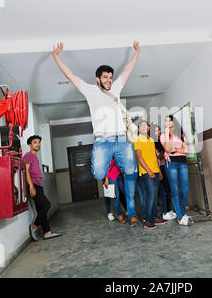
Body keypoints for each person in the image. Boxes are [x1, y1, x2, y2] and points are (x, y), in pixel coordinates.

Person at [52, 41, 140, 226]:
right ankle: (110, 174)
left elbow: (127, 71)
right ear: (97, 79)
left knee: (131, 171)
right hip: (103, 142)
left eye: (110, 77)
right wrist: (56, 56)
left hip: (122, 140)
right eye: (105, 77)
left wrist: (137, 52)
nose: (109, 80)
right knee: (99, 174)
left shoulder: (115, 89)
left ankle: (131, 213)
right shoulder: (90, 91)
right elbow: (70, 75)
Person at [24, 135, 62, 240]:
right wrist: (31, 186)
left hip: (38, 184)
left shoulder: (35, 157)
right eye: (35, 142)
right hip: (33, 185)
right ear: (30, 145)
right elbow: (26, 171)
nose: (38, 144)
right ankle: (35, 226)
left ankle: (47, 232)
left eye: (39, 142)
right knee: (46, 205)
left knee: (41, 209)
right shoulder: (28, 155)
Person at [134, 121, 167, 230]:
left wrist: (159, 171)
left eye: (145, 125)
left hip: (155, 171)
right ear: (139, 129)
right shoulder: (138, 140)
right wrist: (149, 171)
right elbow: (139, 157)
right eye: (141, 126)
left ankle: (155, 217)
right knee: (151, 196)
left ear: (148, 128)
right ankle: (148, 220)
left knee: (154, 195)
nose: (143, 127)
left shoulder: (152, 140)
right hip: (146, 172)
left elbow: (154, 157)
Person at [160, 115, 190, 226]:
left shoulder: (181, 135)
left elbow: (186, 150)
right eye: (165, 121)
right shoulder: (163, 136)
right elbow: (167, 149)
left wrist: (175, 149)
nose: (167, 122)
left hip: (182, 163)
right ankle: (180, 216)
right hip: (171, 163)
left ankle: (181, 212)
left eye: (169, 120)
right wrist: (167, 135)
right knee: (174, 190)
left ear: (174, 122)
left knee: (185, 190)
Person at [154, 125, 176, 220]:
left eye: (159, 130)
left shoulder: (162, 140)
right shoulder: (153, 143)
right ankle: (164, 212)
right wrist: (166, 153)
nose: (158, 132)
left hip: (168, 165)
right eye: (155, 131)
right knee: (164, 190)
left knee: (169, 189)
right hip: (161, 167)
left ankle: (168, 209)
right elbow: (158, 157)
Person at [103, 157, 126, 224]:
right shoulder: (107, 152)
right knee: (116, 196)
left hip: (120, 174)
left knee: (125, 193)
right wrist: (106, 179)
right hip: (111, 176)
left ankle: (129, 211)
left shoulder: (116, 150)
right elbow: (105, 165)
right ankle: (119, 215)